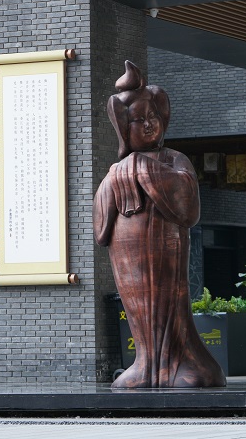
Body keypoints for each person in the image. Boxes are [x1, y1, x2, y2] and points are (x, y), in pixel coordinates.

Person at [93, 60, 226, 389]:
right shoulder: (117, 169)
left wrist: (142, 169)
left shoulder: (174, 159)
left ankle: (179, 362)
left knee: (170, 303)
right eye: (139, 120)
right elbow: (101, 228)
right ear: (124, 129)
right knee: (137, 304)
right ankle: (145, 364)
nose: (149, 124)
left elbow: (187, 204)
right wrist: (116, 177)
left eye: (153, 116)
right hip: (129, 253)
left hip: (166, 247)